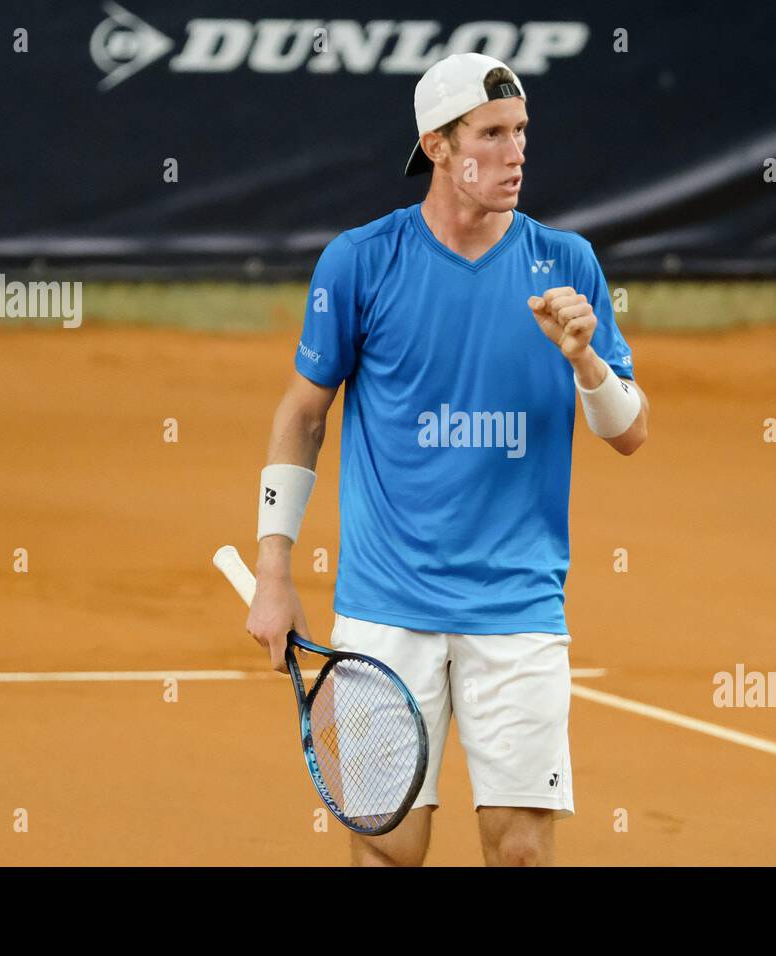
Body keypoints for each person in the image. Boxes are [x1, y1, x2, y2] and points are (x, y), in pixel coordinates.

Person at [245, 52, 649, 866]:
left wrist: (586, 362)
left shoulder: (567, 264)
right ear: (437, 146)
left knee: (524, 854)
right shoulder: (361, 262)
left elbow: (630, 430)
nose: (515, 152)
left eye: (522, 132)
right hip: (385, 608)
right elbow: (302, 415)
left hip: (520, 608)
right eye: (491, 134)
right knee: (388, 854)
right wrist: (274, 569)